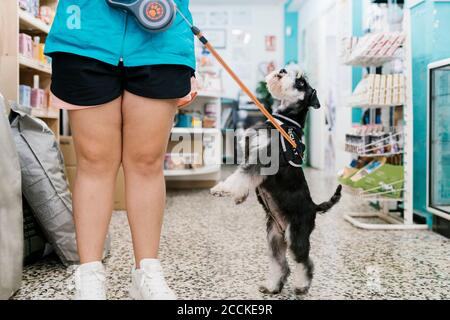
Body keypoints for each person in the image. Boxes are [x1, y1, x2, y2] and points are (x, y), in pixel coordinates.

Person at [44, 0, 196, 300]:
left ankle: (147, 271)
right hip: (85, 33)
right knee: (95, 162)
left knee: (147, 161)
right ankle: (89, 276)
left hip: (161, 34)